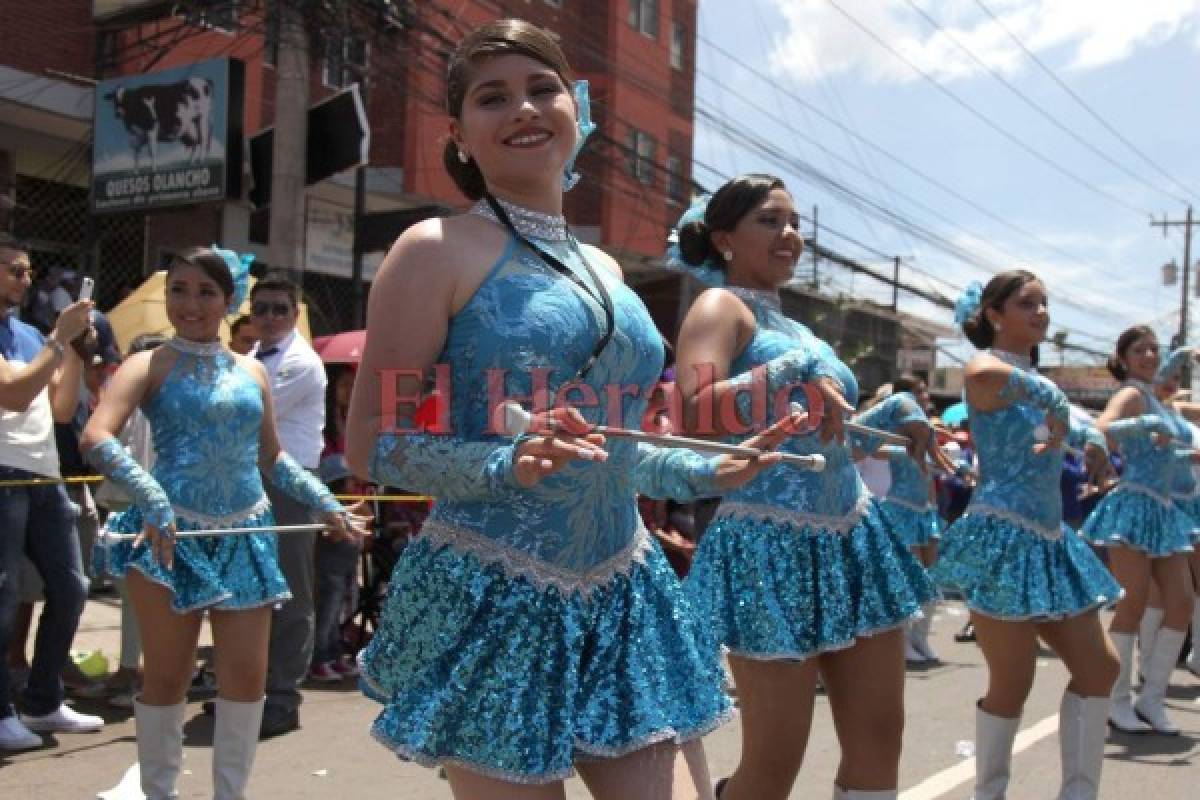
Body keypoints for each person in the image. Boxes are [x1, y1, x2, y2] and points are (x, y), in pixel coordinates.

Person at [345, 19, 799, 799]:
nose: (523, 108)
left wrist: (704, 466)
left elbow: (609, 444)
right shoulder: (433, 248)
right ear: (458, 134)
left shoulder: (607, 268)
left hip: (624, 590)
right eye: (494, 98)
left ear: (576, 111)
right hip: (499, 595)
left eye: (541, 88)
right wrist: (504, 460)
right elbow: (373, 441)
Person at [671, 175, 950, 800]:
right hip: (770, 547)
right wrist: (789, 370)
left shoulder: (801, 328)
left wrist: (893, 414)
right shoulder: (722, 307)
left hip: (853, 536)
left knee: (881, 736)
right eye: (770, 221)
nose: (790, 234)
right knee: (775, 765)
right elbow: (692, 412)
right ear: (723, 238)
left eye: (795, 223)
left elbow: (829, 439)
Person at [82, 246, 361, 800]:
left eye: (206, 292)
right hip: (170, 539)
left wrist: (321, 500)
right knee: (166, 677)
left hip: (244, 535)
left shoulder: (253, 370)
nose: (191, 304)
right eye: (179, 290)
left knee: (247, 677)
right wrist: (150, 494)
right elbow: (96, 435)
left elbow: (271, 458)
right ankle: (159, 791)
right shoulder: (149, 363)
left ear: (229, 300)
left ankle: (229, 795)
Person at [931, 273, 1120, 800]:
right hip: (1003, 539)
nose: (1041, 313)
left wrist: (1092, 437)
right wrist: (1058, 404)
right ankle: (989, 793)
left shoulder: (1040, 385)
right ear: (994, 314)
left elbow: (1065, 422)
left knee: (1100, 667)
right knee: (1012, 683)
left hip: (1052, 539)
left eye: (1044, 304)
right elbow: (988, 376)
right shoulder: (983, 368)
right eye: (1026, 303)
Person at [0, 234, 101, 751]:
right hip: (3, 476)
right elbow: (15, 395)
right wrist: (58, 341)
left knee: (70, 587)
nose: (24, 279)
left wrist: (77, 354)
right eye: (14, 270)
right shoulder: (39, 339)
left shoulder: (29, 334)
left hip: (44, 474)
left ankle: (42, 701)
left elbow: (59, 409)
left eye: (26, 270)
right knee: (3, 597)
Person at [1079, 326, 1195, 736]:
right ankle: (1116, 700)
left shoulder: (1162, 401)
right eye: (1139, 349)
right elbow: (1104, 428)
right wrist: (1143, 422)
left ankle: (1152, 698)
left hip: (1164, 510)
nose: (1148, 355)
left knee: (1180, 602)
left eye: (1152, 349)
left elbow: (1165, 442)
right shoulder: (1132, 395)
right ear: (1124, 358)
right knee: (1133, 602)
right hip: (1133, 504)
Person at [249, 271, 329, 737]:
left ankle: (282, 698)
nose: (270, 317)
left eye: (280, 308)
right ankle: (249, 691)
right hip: (250, 480)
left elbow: (249, 414)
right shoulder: (248, 357)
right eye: (262, 309)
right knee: (252, 590)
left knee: (292, 591)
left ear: (295, 314)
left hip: (291, 481)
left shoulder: (303, 362)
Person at [873, 375, 943, 665]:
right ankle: (902, 642)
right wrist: (903, 450)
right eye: (920, 392)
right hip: (900, 506)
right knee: (909, 576)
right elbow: (868, 447)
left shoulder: (926, 426)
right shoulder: (896, 424)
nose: (926, 396)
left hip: (924, 509)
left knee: (930, 576)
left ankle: (920, 637)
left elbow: (929, 470)